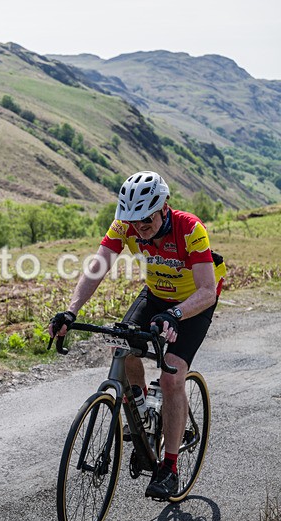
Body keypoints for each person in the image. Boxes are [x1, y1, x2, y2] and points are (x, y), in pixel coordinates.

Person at [48, 171, 226, 500]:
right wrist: (71, 311)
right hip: (156, 295)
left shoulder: (190, 229)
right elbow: (97, 267)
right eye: (134, 222)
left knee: (172, 376)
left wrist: (175, 314)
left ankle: (169, 468)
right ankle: (143, 413)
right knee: (123, 348)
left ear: (164, 208)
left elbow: (206, 292)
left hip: (192, 303)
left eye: (146, 221)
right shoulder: (126, 226)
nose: (140, 229)